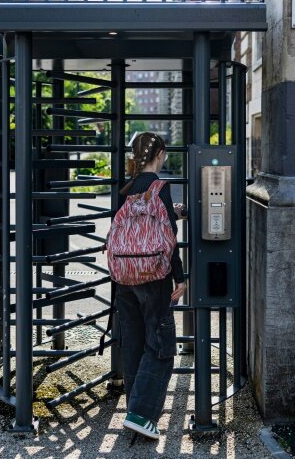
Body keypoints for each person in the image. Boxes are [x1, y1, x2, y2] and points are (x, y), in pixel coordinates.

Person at [116, 132, 187, 440]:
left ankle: (135, 409)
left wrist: (174, 211)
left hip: (124, 278)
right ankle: (141, 415)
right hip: (154, 278)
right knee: (161, 347)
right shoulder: (160, 186)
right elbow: (167, 235)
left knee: (133, 345)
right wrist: (180, 277)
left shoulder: (128, 188)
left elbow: (137, 227)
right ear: (159, 154)